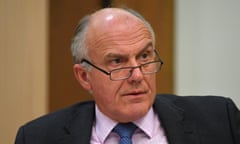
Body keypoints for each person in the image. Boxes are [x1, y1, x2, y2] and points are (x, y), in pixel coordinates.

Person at [15, 7, 240, 144]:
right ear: (84, 76)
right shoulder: (38, 138)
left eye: (144, 56)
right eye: (117, 61)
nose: (137, 75)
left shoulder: (220, 120)